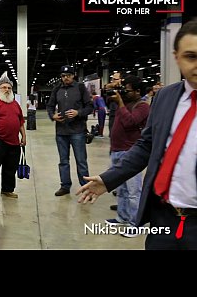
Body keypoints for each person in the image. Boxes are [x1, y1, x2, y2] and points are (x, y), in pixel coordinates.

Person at [77, 19, 197, 249]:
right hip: (164, 218)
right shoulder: (165, 97)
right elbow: (146, 146)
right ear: (177, 57)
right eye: (191, 56)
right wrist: (108, 179)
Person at [103, 75, 150, 237]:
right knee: (121, 188)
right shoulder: (125, 102)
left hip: (131, 152)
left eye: (128, 91)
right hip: (117, 150)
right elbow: (107, 95)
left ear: (138, 92)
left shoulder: (142, 106)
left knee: (133, 190)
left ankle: (136, 223)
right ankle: (122, 217)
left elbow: (130, 122)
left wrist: (121, 103)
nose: (124, 93)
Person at [46, 65, 93, 196]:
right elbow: (50, 106)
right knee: (63, 161)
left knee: (81, 161)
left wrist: (78, 112)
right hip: (61, 132)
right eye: (63, 76)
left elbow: (90, 106)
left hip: (77, 131)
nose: (65, 78)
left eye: (68, 75)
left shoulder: (80, 88)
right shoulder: (57, 89)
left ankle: (85, 188)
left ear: (73, 76)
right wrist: (52, 115)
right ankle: (65, 186)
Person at [0, 71, 26, 202]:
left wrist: (23, 136)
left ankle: (7, 189)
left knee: (11, 167)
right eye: (4, 87)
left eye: (9, 87)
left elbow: (20, 122)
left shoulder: (15, 104)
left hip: (14, 142)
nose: (7, 89)